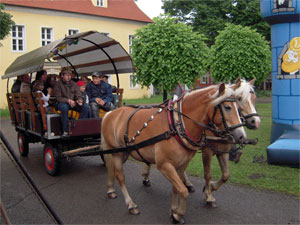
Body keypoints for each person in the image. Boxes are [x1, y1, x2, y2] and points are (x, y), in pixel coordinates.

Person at [53, 67, 90, 136]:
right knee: (64, 107)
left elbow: (78, 94)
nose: (68, 77)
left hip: (73, 102)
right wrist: (68, 101)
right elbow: (58, 98)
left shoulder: (74, 84)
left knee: (86, 107)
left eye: (69, 75)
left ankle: (78, 127)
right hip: (62, 103)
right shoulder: (58, 84)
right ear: (62, 76)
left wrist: (80, 100)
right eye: (67, 75)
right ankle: (66, 130)